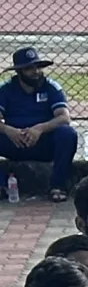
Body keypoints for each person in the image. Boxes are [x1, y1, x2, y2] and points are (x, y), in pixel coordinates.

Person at [2, 46, 76, 199]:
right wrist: (8, 130)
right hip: (14, 142)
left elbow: (64, 117)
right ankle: (2, 185)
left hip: (43, 142)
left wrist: (39, 129)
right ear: (19, 71)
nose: (35, 72)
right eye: (29, 69)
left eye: (38, 67)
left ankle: (58, 186)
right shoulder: (5, 89)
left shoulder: (51, 87)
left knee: (67, 134)